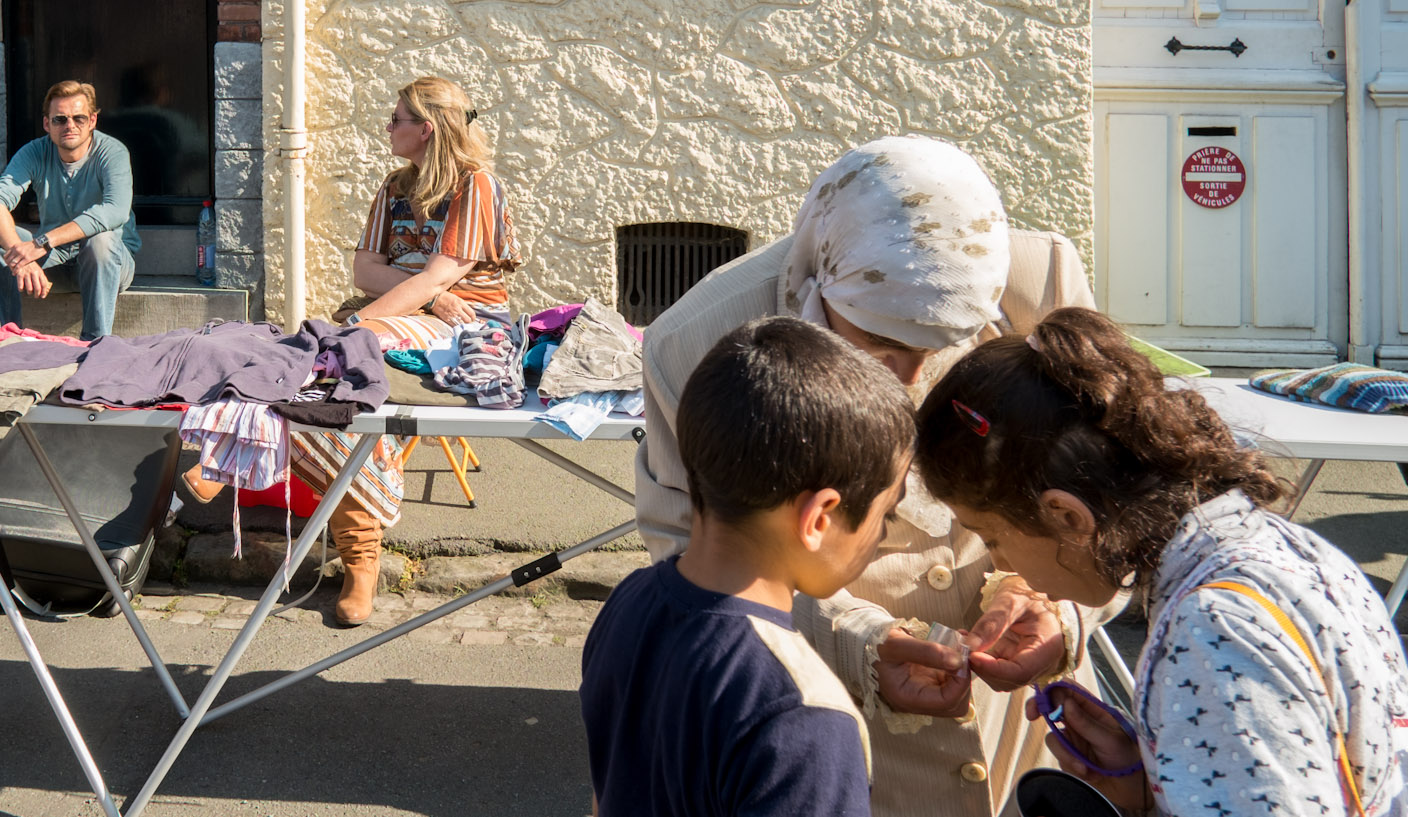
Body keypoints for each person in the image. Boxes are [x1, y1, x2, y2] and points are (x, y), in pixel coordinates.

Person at [635, 135, 1118, 816]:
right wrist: (855, 637)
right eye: (883, 345)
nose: (916, 379)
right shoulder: (698, 341)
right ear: (821, 281)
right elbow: (693, 555)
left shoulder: (1041, 283)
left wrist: (1057, 603)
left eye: (943, 344)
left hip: (1030, 730)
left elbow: (1117, 489)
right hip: (837, 723)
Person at [915, 307, 1408, 816]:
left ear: (1065, 516)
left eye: (991, 536)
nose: (996, 559)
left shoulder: (1211, 632)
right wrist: (1159, 778)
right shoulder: (1291, 550)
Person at [180, 76, 520, 628]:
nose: (388, 127)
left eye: (396, 119)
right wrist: (420, 296)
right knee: (315, 372)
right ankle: (354, 545)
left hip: (465, 325)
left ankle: (350, 548)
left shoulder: (475, 186)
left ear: (426, 128)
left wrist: (384, 311)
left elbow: (438, 274)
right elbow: (363, 269)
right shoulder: (394, 186)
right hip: (406, 312)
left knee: (351, 364)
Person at [583, 316, 913, 817]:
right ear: (819, 518)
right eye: (885, 514)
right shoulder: (805, 715)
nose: (883, 531)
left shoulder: (629, 601)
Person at [0, 80, 140, 342]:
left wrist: (43, 242)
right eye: (60, 119)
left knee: (102, 240)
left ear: (93, 121)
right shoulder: (35, 152)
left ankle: (94, 345)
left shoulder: (112, 152)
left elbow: (115, 210)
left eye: (78, 118)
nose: (70, 126)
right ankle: (3, 341)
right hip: (54, 264)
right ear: (47, 124)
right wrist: (24, 257)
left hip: (108, 264)